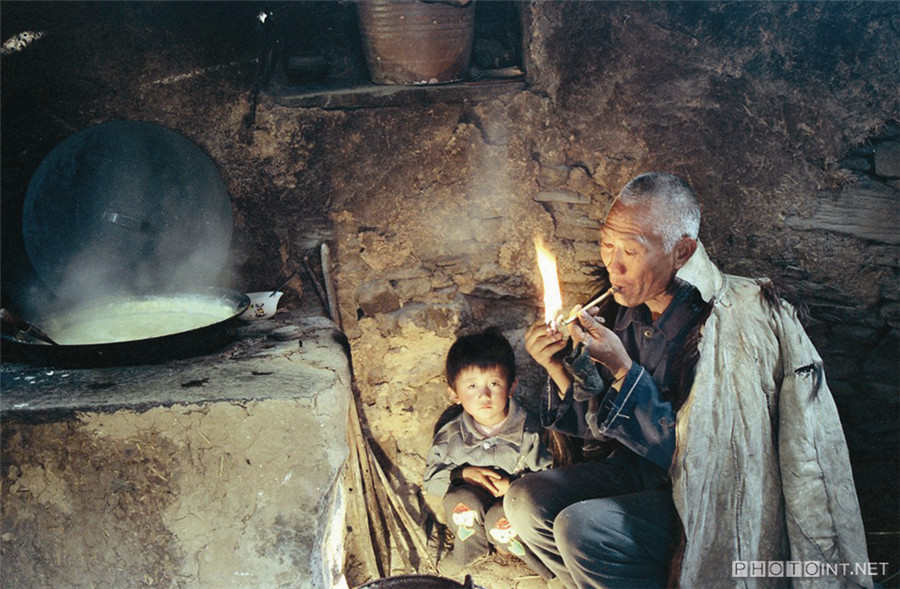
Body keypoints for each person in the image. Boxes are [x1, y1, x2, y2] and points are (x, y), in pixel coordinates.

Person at [505, 172, 871, 589]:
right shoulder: (624, 312)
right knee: (525, 500)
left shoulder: (724, 327)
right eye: (607, 245)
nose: (614, 265)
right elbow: (598, 437)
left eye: (630, 250)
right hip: (634, 474)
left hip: (696, 497)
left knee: (580, 527)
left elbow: (700, 455)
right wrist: (556, 365)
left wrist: (624, 369)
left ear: (682, 252)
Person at [424, 328, 554, 580]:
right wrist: (461, 474)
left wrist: (514, 487)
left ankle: (539, 567)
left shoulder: (529, 432)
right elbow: (431, 481)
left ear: (511, 387)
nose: (484, 395)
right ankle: (470, 551)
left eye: (494, 384)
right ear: (454, 393)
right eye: (471, 386)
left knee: (499, 520)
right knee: (457, 500)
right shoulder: (450, 437)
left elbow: (547, 478)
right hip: (473, 509)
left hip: (510, 510)